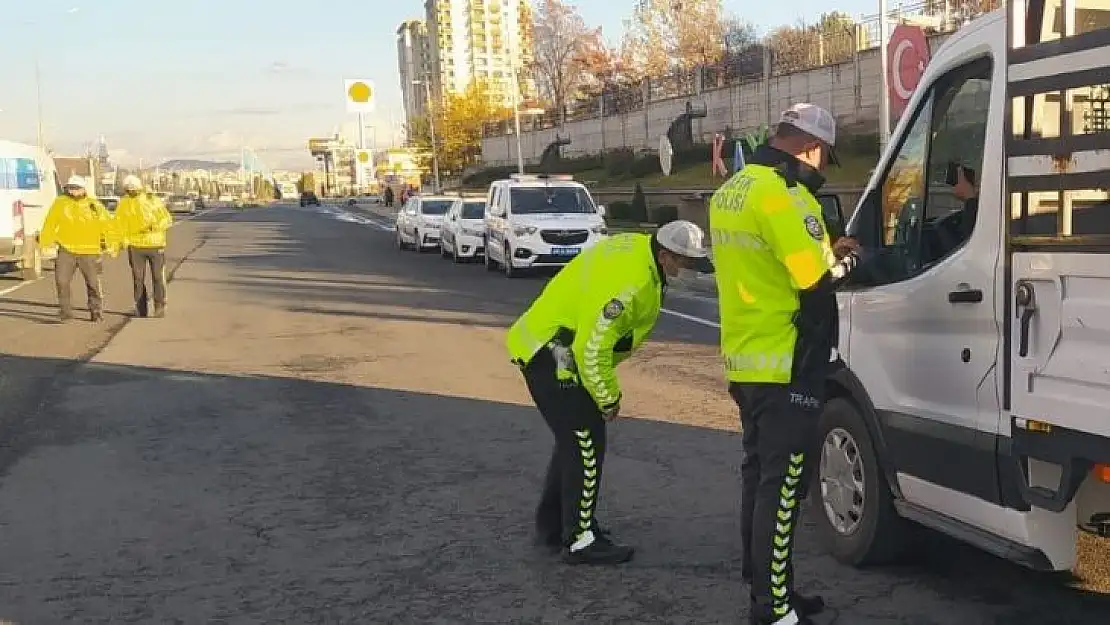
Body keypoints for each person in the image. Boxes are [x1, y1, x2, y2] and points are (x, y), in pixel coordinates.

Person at [709, 103, 860, 625]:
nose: (820, 172)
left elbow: (769, 261)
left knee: (758, 476)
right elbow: (813, 278)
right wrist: (849, 259)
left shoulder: (732, 189)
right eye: (822, 160)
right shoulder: (781, 196)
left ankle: (768, 589)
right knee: (784, 485)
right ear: (811, 148)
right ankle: (772, 608)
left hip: (746, 360)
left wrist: (820, 250)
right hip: (786, 363)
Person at [506, 221, 713, 565]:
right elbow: (592, 346)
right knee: (586, 440)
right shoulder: (633, 283)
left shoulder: (636, 247)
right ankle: (579, 540)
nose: (690, 271)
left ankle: (556, 525)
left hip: (550, 341)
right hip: (556, 352)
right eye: (686, 264)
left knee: (573, 440)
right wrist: (608, 397)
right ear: (664, 256)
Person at [40, 175, 121, 322]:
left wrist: (112, 244)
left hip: (89, 251)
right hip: (67, 250)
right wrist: (45, 243)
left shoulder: (93, 205)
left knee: (92, 283)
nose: (74, 191)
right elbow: (50, 223)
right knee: (61, 281)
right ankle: (65, 311)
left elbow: (108, 226)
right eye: (71, 188)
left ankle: (95, 310)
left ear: (83, 189)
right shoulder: (60, 203)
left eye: (77, 188)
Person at [115, 175, 173, 318]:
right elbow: (119, 224)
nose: (131, 191)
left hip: (155, 244)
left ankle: (159, 306)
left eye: (133, 189)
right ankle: (141, 308)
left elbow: (167, 219)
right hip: (135, 246)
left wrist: (154, 226)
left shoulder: (152, 200)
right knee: (138, 278)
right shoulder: (124, 203)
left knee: (158, 277)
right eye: (128, 189)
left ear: (139, 187)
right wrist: (119, 242)